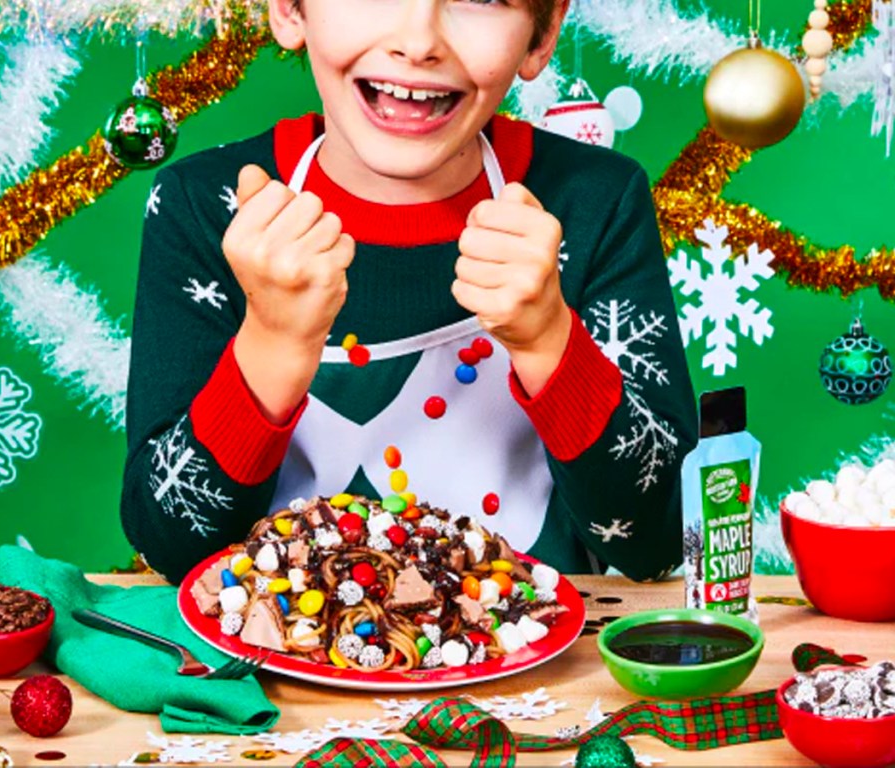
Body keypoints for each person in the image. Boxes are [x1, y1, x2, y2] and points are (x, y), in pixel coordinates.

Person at [121, 0, 698, 585]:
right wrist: (271, 343)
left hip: (540, 669)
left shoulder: (595, 202)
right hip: (279, 667)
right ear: (289, 10)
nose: (419, 40)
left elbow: (659, 541)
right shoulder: (207, 210)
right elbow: (172, 545)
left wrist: (550, 339)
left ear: (542, 34)